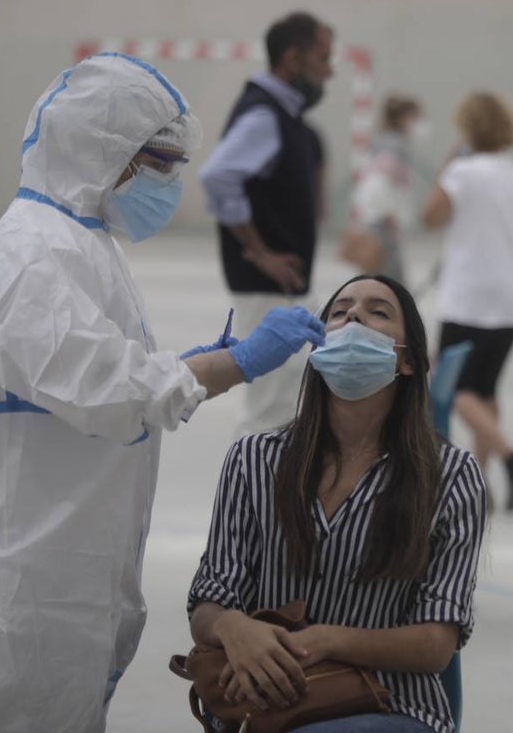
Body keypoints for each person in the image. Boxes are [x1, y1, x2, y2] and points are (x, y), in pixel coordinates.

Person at [0, 53, 326, 733]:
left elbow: (113, 367)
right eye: (162, 163)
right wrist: (238, 361)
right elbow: (117, 388)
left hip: (75, 559)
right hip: (29, 577)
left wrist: (182, 364)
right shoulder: (28, 258)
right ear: (108, 155)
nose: (171, 183)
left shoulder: (86, 242)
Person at [188, 274, 485, 733]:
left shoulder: (450, 476)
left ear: (408, 362)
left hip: (392, 705)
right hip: (268, 698)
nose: (353, 317)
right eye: (340, 310)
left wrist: (326, 641)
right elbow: (211, 596)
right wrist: (234, 629)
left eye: (378, 311)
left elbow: (435, 643)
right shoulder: (254, 460)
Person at [201, 11, 335, 436]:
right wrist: (258, 251)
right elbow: (218, 176)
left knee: (287, 397)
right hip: (266, 287)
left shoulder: (283, 115)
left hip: (281, 286)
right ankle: (253, 496)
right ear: (293, 57)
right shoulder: (265, 114)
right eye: (323, 58)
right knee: (271, 409)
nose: (329, 71)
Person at [423, 91, 513, 512]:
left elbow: (431, 217)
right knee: (486, 390)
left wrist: (445, 169)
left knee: (451, 388)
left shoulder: (462, 173)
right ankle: (480, 482)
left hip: (471, 297)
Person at [343, 93, 432, 282]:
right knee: (388, 280)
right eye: (415, 118)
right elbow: (378, 182)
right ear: (403, 118)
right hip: (384, 222)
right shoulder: (394, 145)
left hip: (380, 219)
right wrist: (388, 213)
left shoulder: (385, 142)